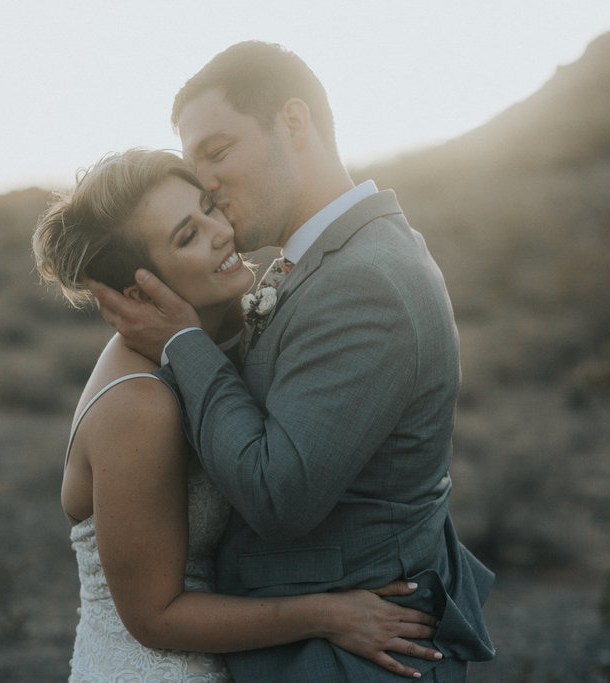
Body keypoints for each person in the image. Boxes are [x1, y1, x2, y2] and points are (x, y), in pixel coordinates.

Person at [87, 42, 495, 682]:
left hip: (346, 659)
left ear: (295, 123)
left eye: (217, 153)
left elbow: (278, 496)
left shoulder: (366, 281)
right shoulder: (319, 262)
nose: (210, 188)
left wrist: (182, 343)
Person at [33, 148, 446, 682]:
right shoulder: (138, 402)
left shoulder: (245, 330)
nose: (221, 231)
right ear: (141, 290)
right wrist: (330, 614)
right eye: (187, 236)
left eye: (209, 207)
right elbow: (154, 619)